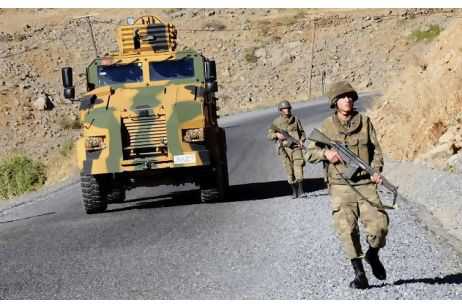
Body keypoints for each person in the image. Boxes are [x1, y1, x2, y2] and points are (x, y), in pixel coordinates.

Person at [305, 81, 389, 289]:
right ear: (335, 102)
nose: (348, 100)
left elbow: (376, 150)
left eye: (351, 96)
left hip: (365, 183)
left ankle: (372, 254)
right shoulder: (327, 127)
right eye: (343, 97)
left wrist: (376, 170)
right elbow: (309, 152)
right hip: (340, 186)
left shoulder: (365, 122)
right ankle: (359, 274)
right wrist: (326, 153)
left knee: (380, 227)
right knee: (347, 231)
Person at [267, 100, 307, 199]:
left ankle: (301, 191)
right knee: (289, 169)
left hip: (296, 147)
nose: (287, 110)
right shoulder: (276, 122)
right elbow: (269, 135)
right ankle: (294, 191)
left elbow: (302, 132)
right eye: (285, 109)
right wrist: (276, 135)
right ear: (280, 110)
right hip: (284, 148)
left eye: (288, 108)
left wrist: (302, 140)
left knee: (299, 165)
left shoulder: (296, 120)